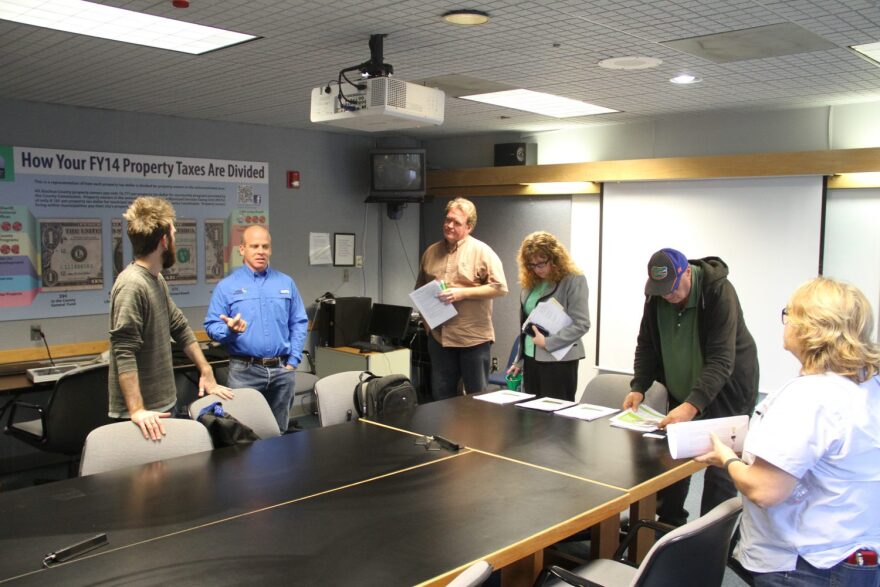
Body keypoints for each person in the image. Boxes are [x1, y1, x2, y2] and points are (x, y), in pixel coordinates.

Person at [697, 277, 880, 587]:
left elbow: (764, 490)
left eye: (790, 314)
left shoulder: (809, 396)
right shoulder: (867, 385)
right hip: (856, 554)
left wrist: (728, 459)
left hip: (806, 565)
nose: (786, 322)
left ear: (810, 327)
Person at [623, 247, 758, 525]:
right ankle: (668, 525)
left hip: (727, 389)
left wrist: (692, 405)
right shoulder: (656, 296)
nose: (667, 296)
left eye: (672, 288)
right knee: (675, 454)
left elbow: (722, 358)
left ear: (686, 271)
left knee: (719, 465)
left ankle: (710, 535)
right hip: (684, 388)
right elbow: (646, 344)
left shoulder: (719, 292)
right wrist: (639, 386)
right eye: (660, 290)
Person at [109, 197, 233, 441]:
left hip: (163, 404)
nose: (175, 240)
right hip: (143, 415)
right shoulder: (132, 284)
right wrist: (137, 410)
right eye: (174, 234)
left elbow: (178, 326)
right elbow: (123, 350)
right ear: (164, 241)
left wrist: (205, 369)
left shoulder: (156, 279)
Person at [205, 225, 308, 433]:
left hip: (282, 371)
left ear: (270, 250)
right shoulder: (227, 286)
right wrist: (229, 331)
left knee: (279, 432)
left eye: (265, 246)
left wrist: (294, 361)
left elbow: (299, 322)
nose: (260, 251)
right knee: (243, 434)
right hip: (245, 371)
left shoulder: (286, 282)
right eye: (254, 246)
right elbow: (211, 325)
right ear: (242, 249)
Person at [415, 197, 508, 400]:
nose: (449, 225)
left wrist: (461, 293)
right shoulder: (431, 252)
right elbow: (420, 289)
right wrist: (426, 324)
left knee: (477, 399)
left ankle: (478, 434)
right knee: (441, 398)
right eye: (447, 220)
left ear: (469, 227)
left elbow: (500, 288)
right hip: (440, 339)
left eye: (456, 223)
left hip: (472, 339)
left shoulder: (482, 251)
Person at [506, 231, 590, 401]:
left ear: (555, 258)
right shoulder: (532, 283)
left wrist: (548, 342)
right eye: (532, 265)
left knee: (555, 419)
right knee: (530, 416)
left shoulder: (574, 280)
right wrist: (519, 360)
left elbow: (582, 323)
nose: (537, 269)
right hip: (531, 359)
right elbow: (527, 325)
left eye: (541, 263)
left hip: (558, 362)